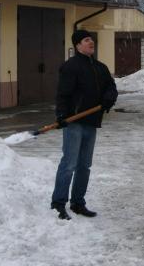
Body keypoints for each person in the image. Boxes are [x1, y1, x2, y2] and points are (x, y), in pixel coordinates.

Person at [50, 29, 117, 220]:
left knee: (84, 165)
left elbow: (111, 87)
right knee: (69, 163)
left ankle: (78, 203)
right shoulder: (70, 67)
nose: (91, 42)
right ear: (78, 45)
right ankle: (58, 203)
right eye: (87, 40)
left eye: (92, 39)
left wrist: (108, 99)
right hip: (74, 122)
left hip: (92, 122)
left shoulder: (100, 67)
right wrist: (61, 114)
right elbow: (62, 93)